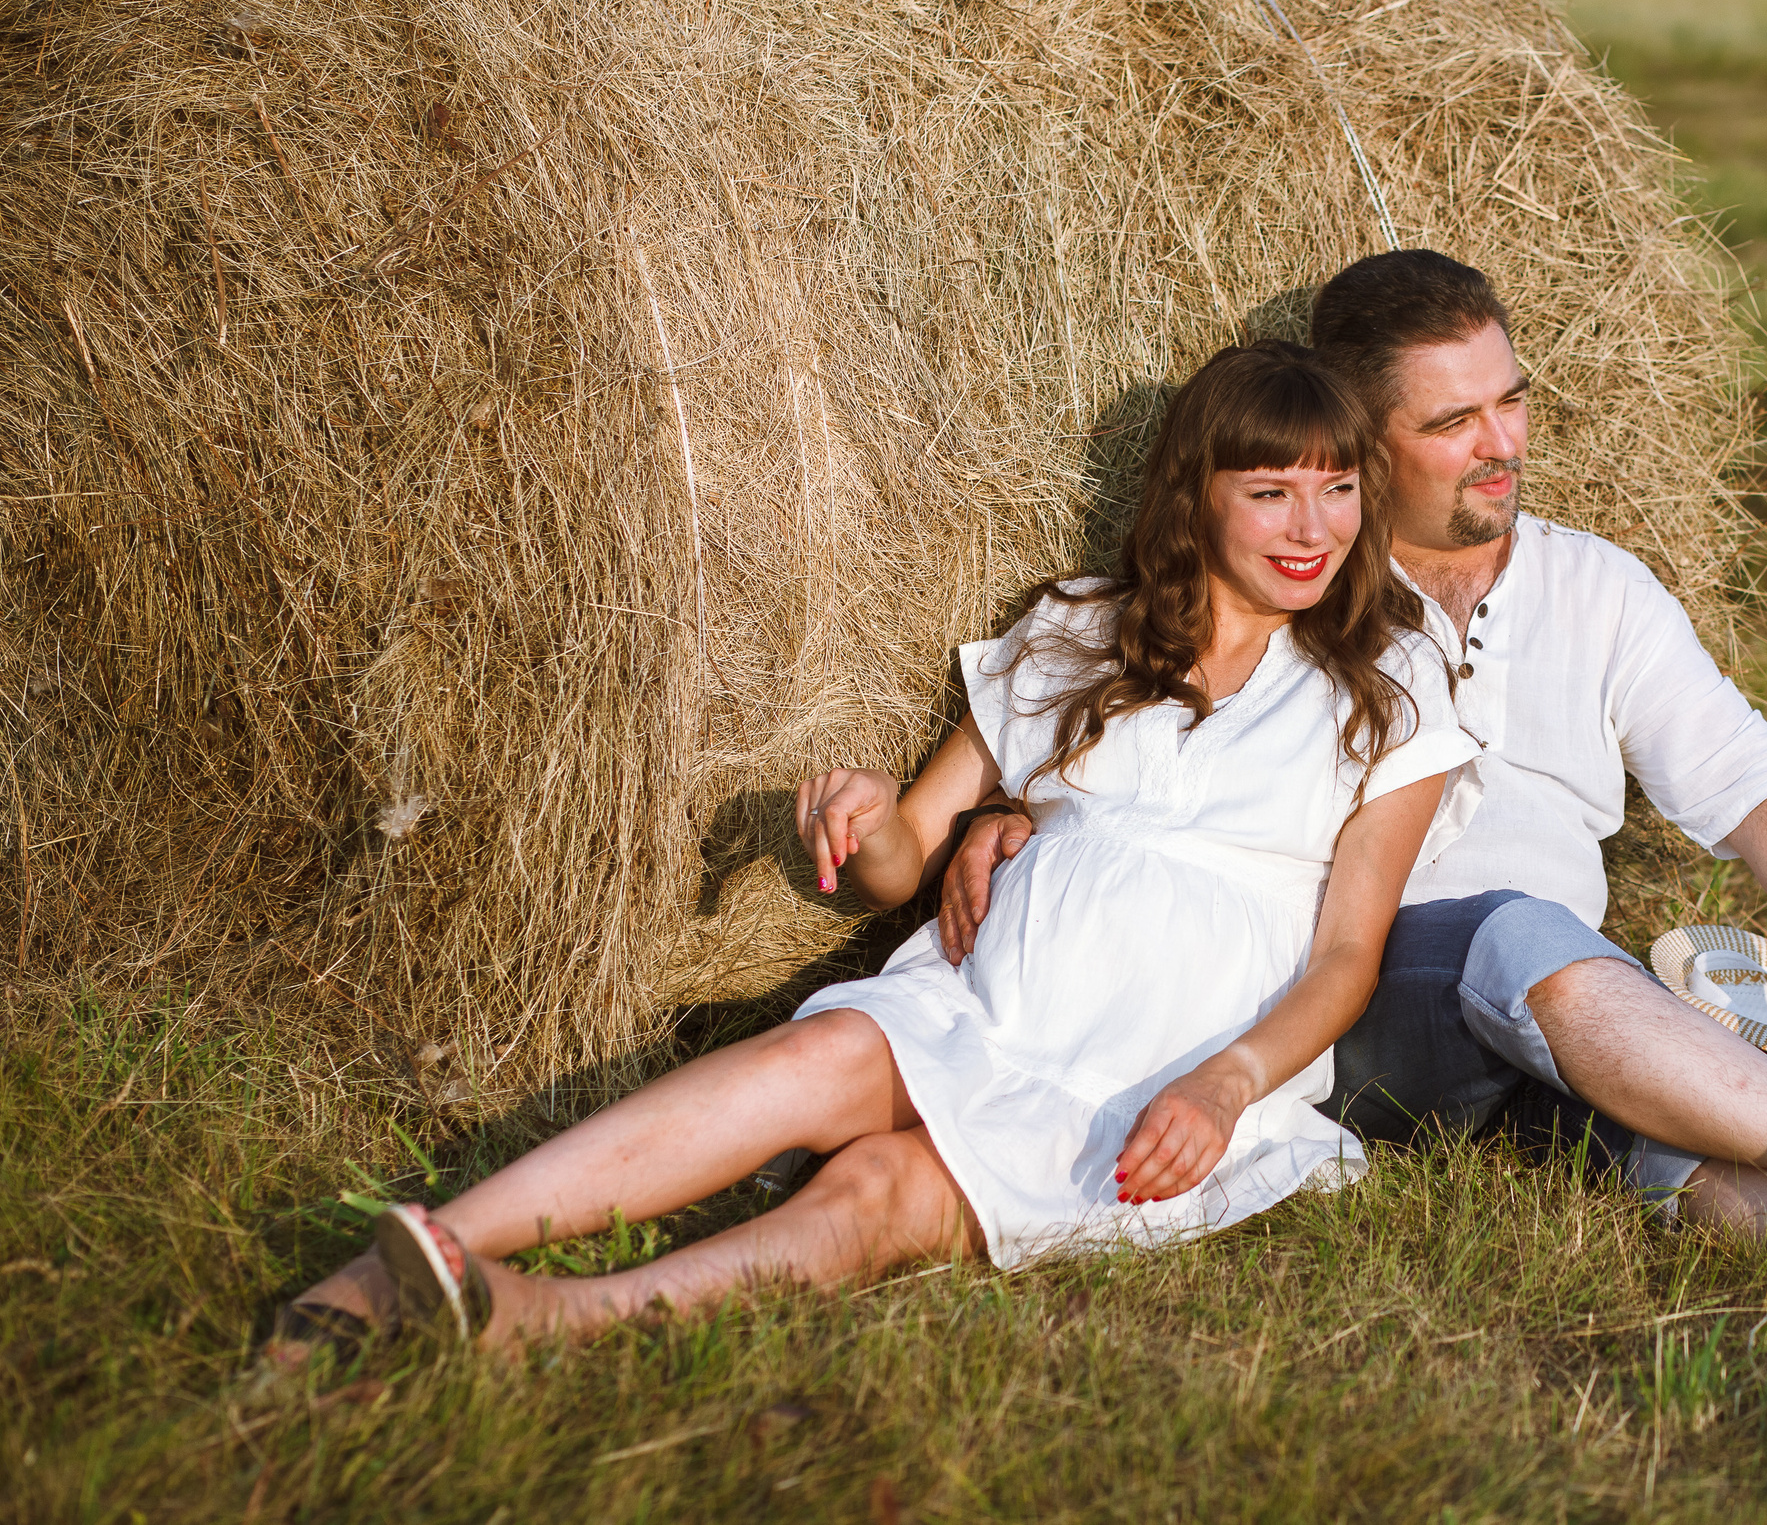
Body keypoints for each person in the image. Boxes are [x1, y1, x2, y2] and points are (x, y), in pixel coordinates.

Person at [269, 340, 1475, 1357]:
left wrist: (1223, 1085)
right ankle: (417, 1255)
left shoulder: (1386, 679)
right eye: (1270, 491)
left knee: (880, 1192)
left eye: (1337, 490)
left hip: (1164, 1069)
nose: (1311, 527)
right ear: (1195, 492)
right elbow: (907, 859)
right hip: (988, 1001)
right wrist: (869, 821)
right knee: (826, 1051)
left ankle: (550, 1320)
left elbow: (1345, 959)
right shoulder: (1078, 633)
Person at [944, 252, 1767, 1323]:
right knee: (1521, 937)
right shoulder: (1296, 588)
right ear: (1360, 446)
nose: (1502, 445)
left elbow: (1748, 775)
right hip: (1356, 1002)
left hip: (1562, 1010)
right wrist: (1009, 814)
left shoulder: (1598, 587)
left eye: (1510, 402)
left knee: (1665, 1138)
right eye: (1450, 424)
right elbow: (1145, 729)